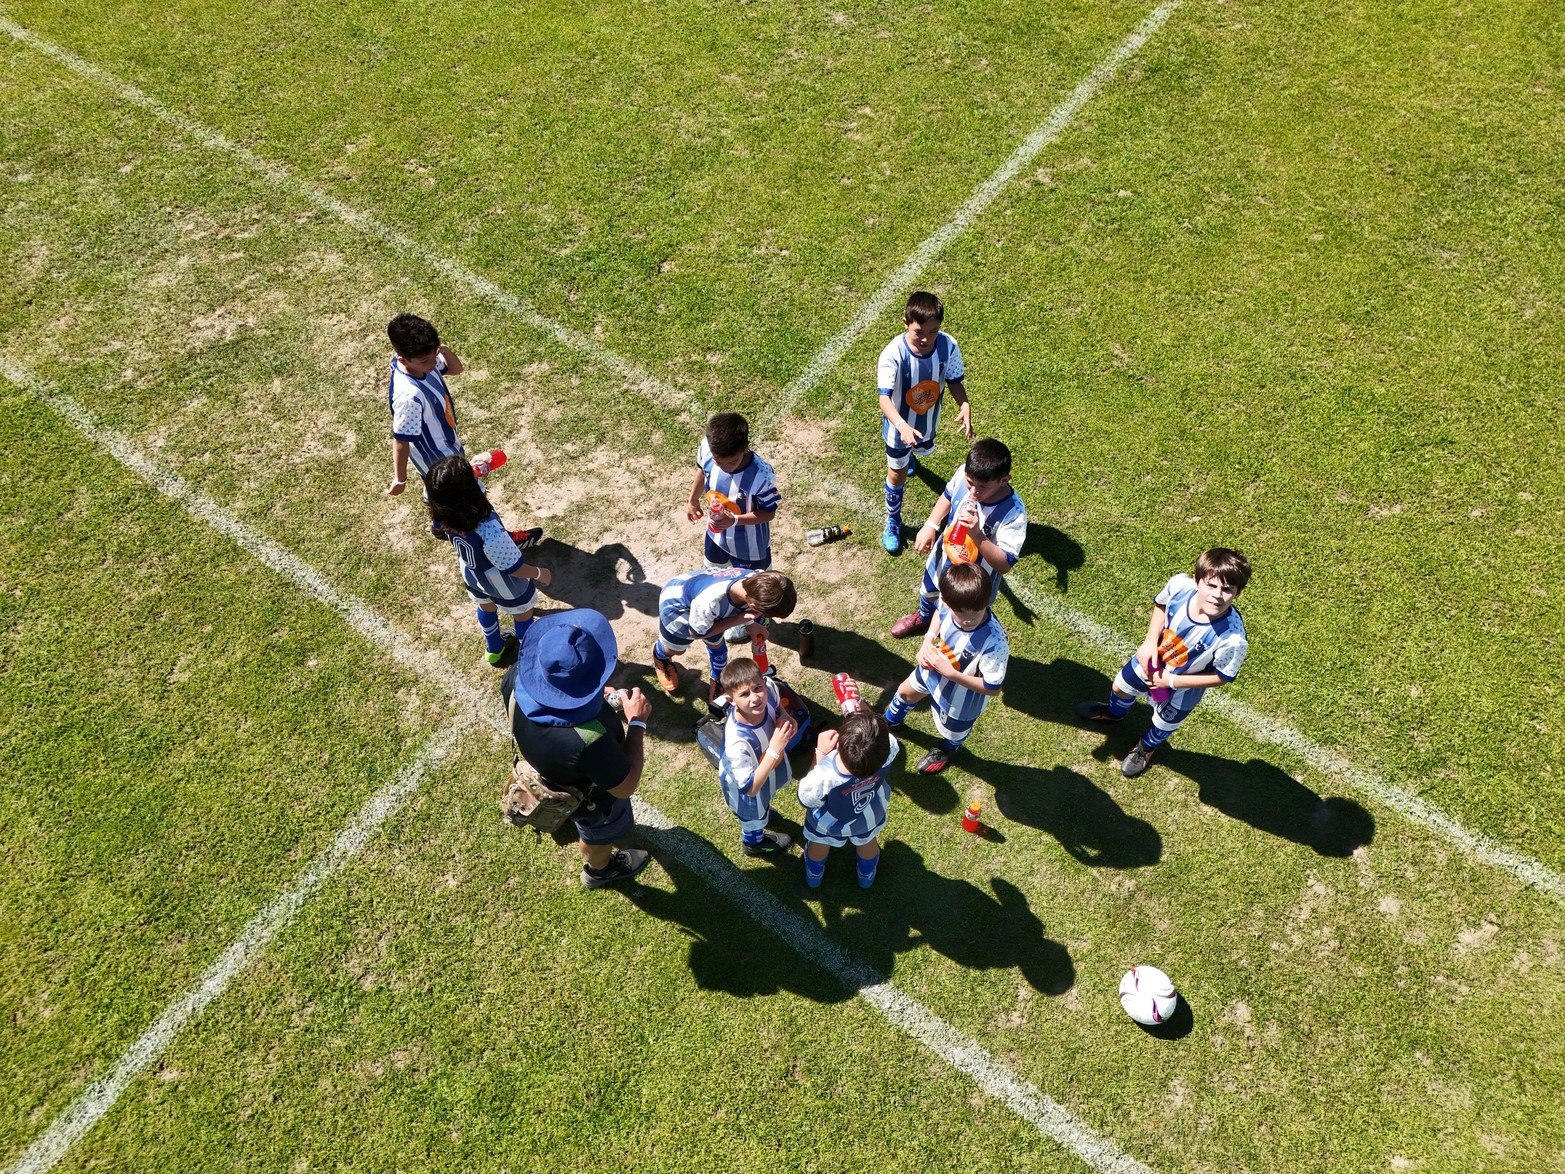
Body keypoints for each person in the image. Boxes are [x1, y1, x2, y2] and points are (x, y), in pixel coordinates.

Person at [503, 609, 655, 889]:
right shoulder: (590, 741)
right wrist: (637, 723)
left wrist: (590, 692)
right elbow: (625, 787)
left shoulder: (515, 678)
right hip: (590, 802)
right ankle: (600, 871)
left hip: (543, 764)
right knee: (598, 833)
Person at [1076, 548, 1252, 778]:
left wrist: (1171, 680)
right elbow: (1161, 604)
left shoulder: (1233, 639)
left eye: (1227, 589)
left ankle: (1146, 747)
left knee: (1163, 724)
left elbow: (1222, 677)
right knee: (1119, 688)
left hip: (1182, 686)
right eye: (1211, 585)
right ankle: (1114, 714)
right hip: (1153, 662)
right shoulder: (1179, 586)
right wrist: (1149, 642)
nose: (1218, 595)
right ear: (1197, 580)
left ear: (1237, 593)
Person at [890, 438, 1026, 638]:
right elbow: (947, 495)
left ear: (1003, 480)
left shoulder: (1013, 512)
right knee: (929, 590)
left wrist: (977, 535)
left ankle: (955, 636)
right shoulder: (964, 473)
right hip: (944, 557)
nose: (973, 492)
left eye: (982, 487)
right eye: (969, 483)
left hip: (973, 581)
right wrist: (931, 524)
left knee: (963, 613)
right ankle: (925, 618)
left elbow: (1004, 565)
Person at [425, 455, 552, 668]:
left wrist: (475, 469)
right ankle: (529, 659)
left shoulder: (442, 517)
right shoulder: (490, 533)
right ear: (471, 495)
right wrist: (540, 573)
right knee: (523, 615)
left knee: (486, 607)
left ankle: (494, 649)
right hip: (505, 585)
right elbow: (514, 568)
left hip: (473, 576)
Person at [884, 562, 1009, 775]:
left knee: (954, 731)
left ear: (986, 601)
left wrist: (951, 673)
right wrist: (928, 640)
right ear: (945, 601)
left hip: (961, 700)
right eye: (960, 612)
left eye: (976, 611)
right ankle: (888, 723)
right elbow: (939, 615)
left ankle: (949, 749)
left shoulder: (995, 643)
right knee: (905, 692)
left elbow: (992, 688)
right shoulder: (945, 604)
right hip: (933, 670)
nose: (969, 618)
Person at [877, 291, 973, 554]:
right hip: (899, 429)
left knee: (917, 454)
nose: (926, 339)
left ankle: (912, 460)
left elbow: (954, 381)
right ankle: (893, 521)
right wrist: (901, 426)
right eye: (920, 331)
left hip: (927, 425)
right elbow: (884, 400)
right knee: (896, 475)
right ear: (906, 322)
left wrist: (963, 404)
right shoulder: (892, 354)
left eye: (933, 332)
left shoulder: (948, 346)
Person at [652, 568, 797, 702]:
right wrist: (740, 620)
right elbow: (696, 633)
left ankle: (718, 681)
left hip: (710, 610)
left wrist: (751, 625)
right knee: (677, 649)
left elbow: (741, 609)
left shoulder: (757, 582)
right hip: (678, 606)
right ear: (753, 607)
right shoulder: (709, 601)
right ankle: (660, 655)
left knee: (719, 650)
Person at [797, 709, 899, 889]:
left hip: (830, 822)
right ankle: (866, 874)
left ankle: (814, 873)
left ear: (838, 745)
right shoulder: (889, 748)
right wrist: (859, 707)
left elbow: (807, 798)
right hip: (868, 813)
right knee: (867, 840)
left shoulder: (825, 775)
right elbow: (884, 738)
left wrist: (820, 753)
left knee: (819, 842)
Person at [716, 658, 803, 857]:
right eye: (744, 694)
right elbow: (750, 788)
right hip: (748, 786)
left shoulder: (769, 689)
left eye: (757, 688)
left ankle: (763, 814)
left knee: (765, 798)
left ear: (763, 682)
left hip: (767, 770)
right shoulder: (736, 743)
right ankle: (753, 842)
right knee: (752, 814)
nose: (755, 698)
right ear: (731, 700)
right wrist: (775, 748)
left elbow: (775, 695)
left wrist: (785, 716)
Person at [686, 411, 781, 572]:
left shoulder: (761, 476)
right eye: (718, 461)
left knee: (751, 588)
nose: (723, 467)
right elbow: (703, 471)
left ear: (745, 448)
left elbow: (768, 513)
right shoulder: (707, 448)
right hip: (715, 537)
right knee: (715, 577)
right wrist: (692, 500)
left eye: (731, 462)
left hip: (749, 549)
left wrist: (735, 520)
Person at [384, 313, 467, 496]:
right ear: (402, 359)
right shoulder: (409, 397)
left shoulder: (422, 361)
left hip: (448, 443)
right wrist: (400, 479)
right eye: (425, 361)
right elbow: (401, 440)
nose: (432, 363)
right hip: (438, 457)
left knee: (445, 496)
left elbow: (456, 369)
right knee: (469, 496)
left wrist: (443, 350)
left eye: (433, 355)